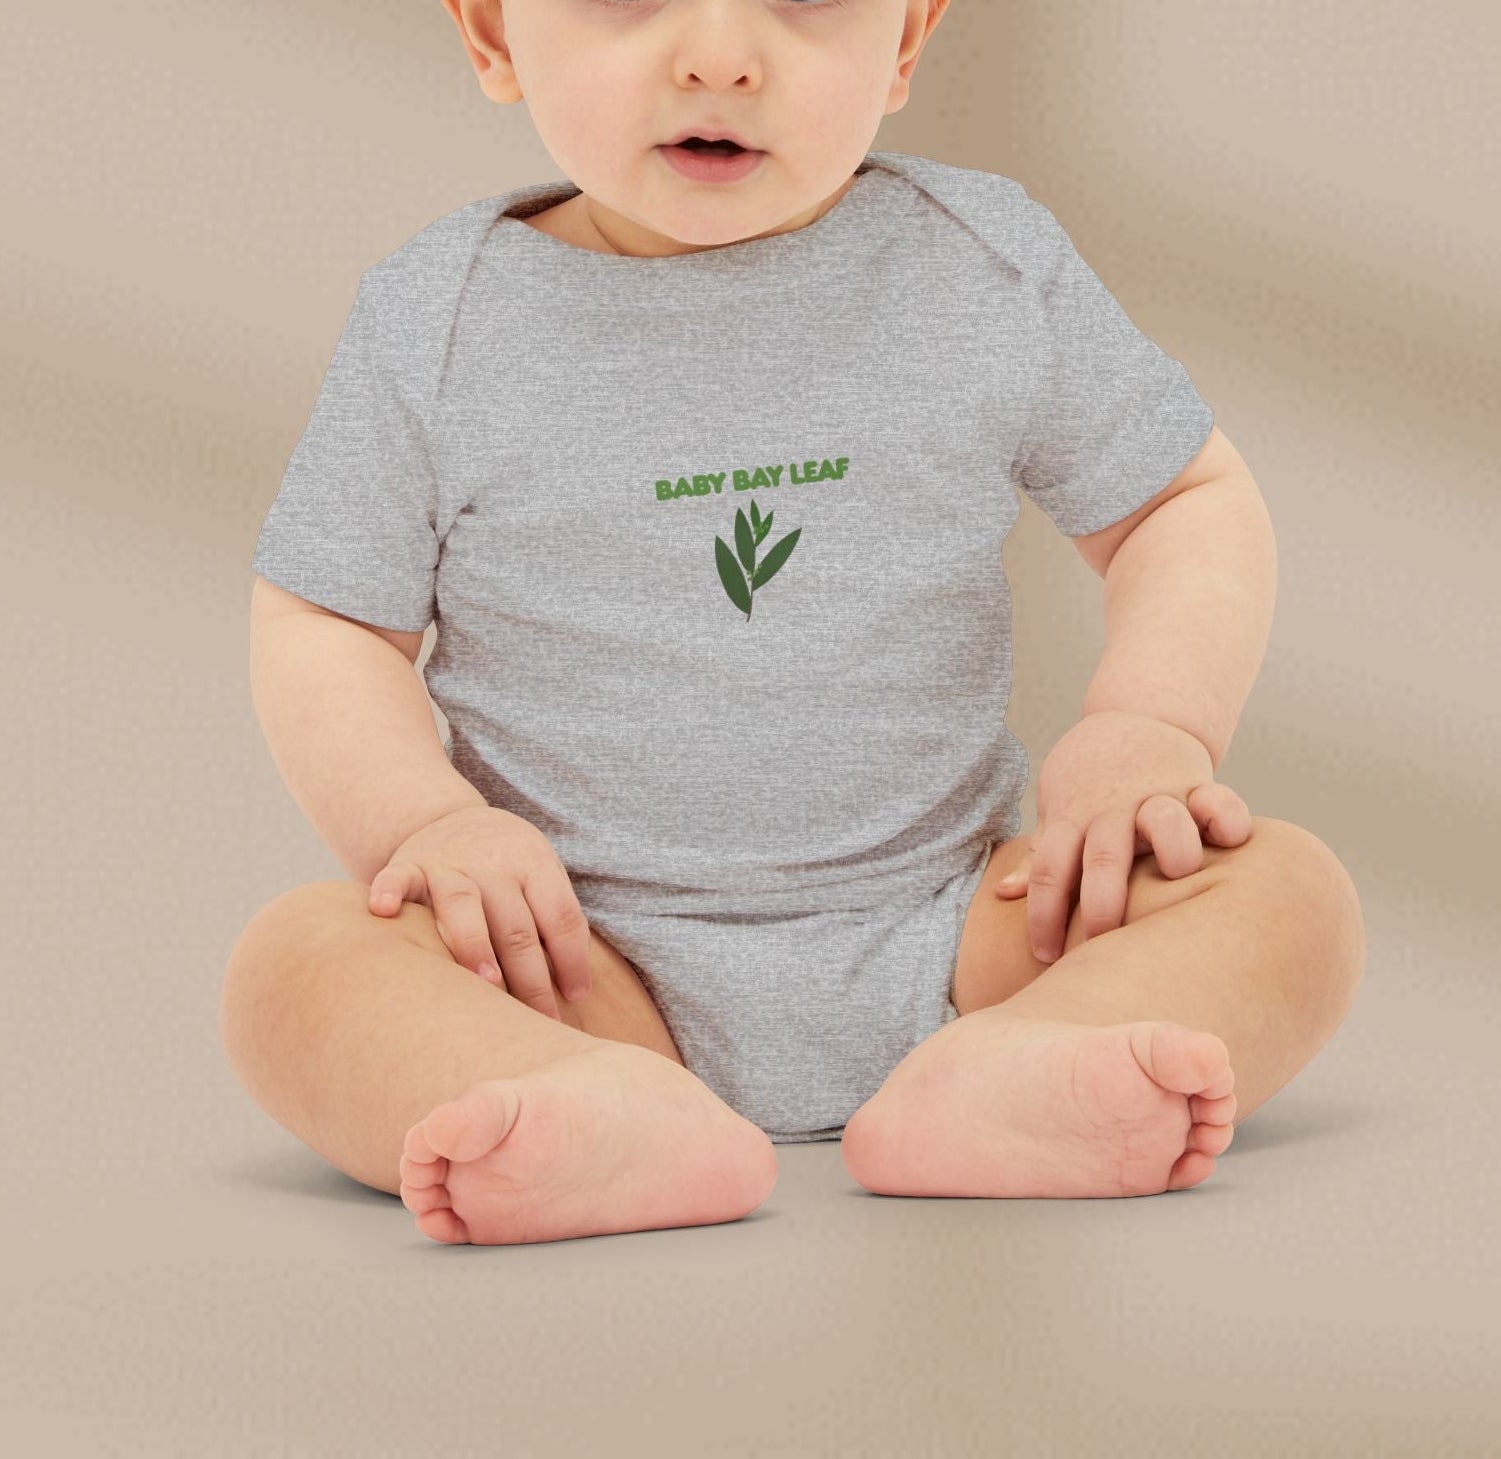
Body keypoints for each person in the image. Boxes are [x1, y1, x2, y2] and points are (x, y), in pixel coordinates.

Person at [220, 0, 1366, 1245]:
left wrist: (1149, 726)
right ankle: (585, 1100)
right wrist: (426, 822)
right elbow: (328, 620)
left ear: (908, 44)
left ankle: (1024, 1067)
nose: (720, 53)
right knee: (297, 965)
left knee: (1288, 892)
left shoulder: (977, 263)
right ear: (493, 34)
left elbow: (1181, 505)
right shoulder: (437, 320)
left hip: (961, 934)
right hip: (571, 961)